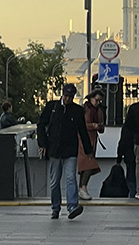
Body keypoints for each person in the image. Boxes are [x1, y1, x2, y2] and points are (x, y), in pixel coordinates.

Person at [37, 83, 92, 219]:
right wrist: (42, 144)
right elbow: (41, 124)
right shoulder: (52, 107)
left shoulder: (77, 111)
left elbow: (82, 131)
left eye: (70, 96)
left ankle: (72, 206)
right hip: (54, 149)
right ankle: (55, 207)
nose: (68, 99)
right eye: (66, 96)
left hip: (70, 150)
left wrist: (88, 150)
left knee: (70, 178)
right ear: (62, 94)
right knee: (55, 181)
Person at [77, 90, 105, 200]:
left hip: (93, 140)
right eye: (96, 100)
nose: (98, 102)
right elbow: (82, 125)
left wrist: (100, 126)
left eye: (100, 101)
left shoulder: (99, 111)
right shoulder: (84, 109)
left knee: (85, 166)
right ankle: (83, 188)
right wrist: (94, 125)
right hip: (83, 140)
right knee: (89, 164)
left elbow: (102, 128)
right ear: (91, 98)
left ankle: (81, 188)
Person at [116, 120, 137, 199]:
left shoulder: (127, 127)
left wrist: (119, 158)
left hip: (129, 156)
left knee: (130, 177)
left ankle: (133, 194)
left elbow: (122, 142)